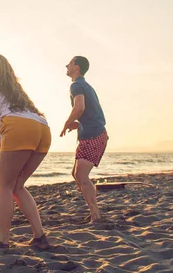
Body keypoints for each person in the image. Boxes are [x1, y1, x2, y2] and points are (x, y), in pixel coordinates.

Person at [0, 53, 51, 249]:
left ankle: (3, 241)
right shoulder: (17, 90)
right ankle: (39, 236)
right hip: (42, 128)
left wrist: (2, 139)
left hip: (17, 127)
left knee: (5, 186)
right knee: (18, 186)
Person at [60, 56, 108, 223]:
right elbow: (91, 112)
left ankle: (96, 215)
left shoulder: (77, 85)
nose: (66, 65)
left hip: (93, 135)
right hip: (93, 132)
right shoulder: (85, 85)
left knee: (81, 175)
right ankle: (94, 212)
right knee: (77, 174)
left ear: (77, 68)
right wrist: (78, 124)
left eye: (70, 63)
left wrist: (67, 123)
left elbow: (79, 107)